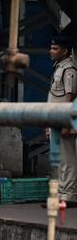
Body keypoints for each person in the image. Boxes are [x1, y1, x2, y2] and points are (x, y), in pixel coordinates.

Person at [49, 35, 77, 206]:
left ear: (65, 51)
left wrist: (67, 123)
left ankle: (69, 194)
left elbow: (70, 97)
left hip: (63, 121)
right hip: (55, 120)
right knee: (58, 159)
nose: (51, 51)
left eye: (55, 48)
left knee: (67, 158)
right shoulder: (59, 68)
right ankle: (60, 192)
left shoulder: (70, 70)